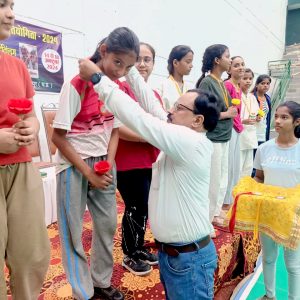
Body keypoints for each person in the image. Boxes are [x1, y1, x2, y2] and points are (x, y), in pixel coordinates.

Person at [78, 59, 220, 299]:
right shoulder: (185, 137)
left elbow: (142, 119)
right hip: (176, 255)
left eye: (179, 109)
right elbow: (153, 107)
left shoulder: (191, 143)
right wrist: (131, 67)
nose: (171, 111)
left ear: (198, 120)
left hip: (189, 258)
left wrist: (98, 80)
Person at [52, 27, 140, 300]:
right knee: (72, 229)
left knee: (106, 225)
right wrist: (89, 172)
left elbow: (114, 130)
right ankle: (83, 291)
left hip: (104, 161)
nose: (120, 71)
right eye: (117, 62)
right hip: (74, 163)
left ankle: (101, 280)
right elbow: (58, 136)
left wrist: (108, 164)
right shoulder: (76, 85)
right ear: (103, 51)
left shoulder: (117, 88)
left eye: (127, 67)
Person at [0, 1, 50, 299]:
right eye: (2, 4)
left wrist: (33, 127)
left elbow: (30, 115)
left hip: (21, 169)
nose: (11, 13)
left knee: (31, 254)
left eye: (12, 5)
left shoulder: (16, 65)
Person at [115, 42, 161, 276]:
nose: (142, 64)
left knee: (144, 207)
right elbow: (118, 128)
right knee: (134, 206)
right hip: (128, 160)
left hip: (150, 160)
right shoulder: (119, 89)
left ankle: (139, 247)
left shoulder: (153, 95)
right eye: (138, 59)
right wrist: (147, 137)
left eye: (147, 59)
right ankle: (129, 253)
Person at [254, 101, 300, 300]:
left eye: (284, 117)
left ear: (297, 121)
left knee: (293, 264)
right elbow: (259, 178)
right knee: (269, 258)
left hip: (294, 214)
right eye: (277, 116)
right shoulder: (264, 148)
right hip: (269, 212)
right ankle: (269, 296)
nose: (278, 121)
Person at [196, 44, 237, 222]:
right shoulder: (207, 82)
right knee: (213, 180)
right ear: (217, 60)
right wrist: (227, 114)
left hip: (224, 136)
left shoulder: (221, 82)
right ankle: (205, 218)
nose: (230, 60)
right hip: (213, 137)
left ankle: (215, 212)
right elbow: (204, 113)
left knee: (222, 178)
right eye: (227, 56)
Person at [223, 56, 245, 211]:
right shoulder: (228, 85)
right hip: (229, 128)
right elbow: (225, 109)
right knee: (228, 166)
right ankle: (223, 202)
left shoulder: (238, 87)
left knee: (236, 166)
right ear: (229, 69)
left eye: (242, 64)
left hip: (237, 128)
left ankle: (231, 199)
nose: (241, 67)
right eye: (236, 65)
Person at [159, 45, 194, 110]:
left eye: (191, 62)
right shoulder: (162, 86)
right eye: (188, 62)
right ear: (175, 63)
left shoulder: (191, 88)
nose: (191, 65)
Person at [240, 68, 260, 176]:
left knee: (247, 168)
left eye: (250, 78)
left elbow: (255, 113)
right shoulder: (236, 95)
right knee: (237, 168)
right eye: (245, 78)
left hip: (250, 135)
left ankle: (245, 191)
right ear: (239, 79)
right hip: (240, 135)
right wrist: (243, 121)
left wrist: (257, 118)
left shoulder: (252, 97)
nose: (248, 81)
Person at [252, 74, 272, 144]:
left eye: (268, 83)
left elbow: (267, 117)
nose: (265, 85)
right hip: (253, 130)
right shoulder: (251, 97)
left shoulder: (268, 99)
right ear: (256, 85)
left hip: (263, 130)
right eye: (262, 83)